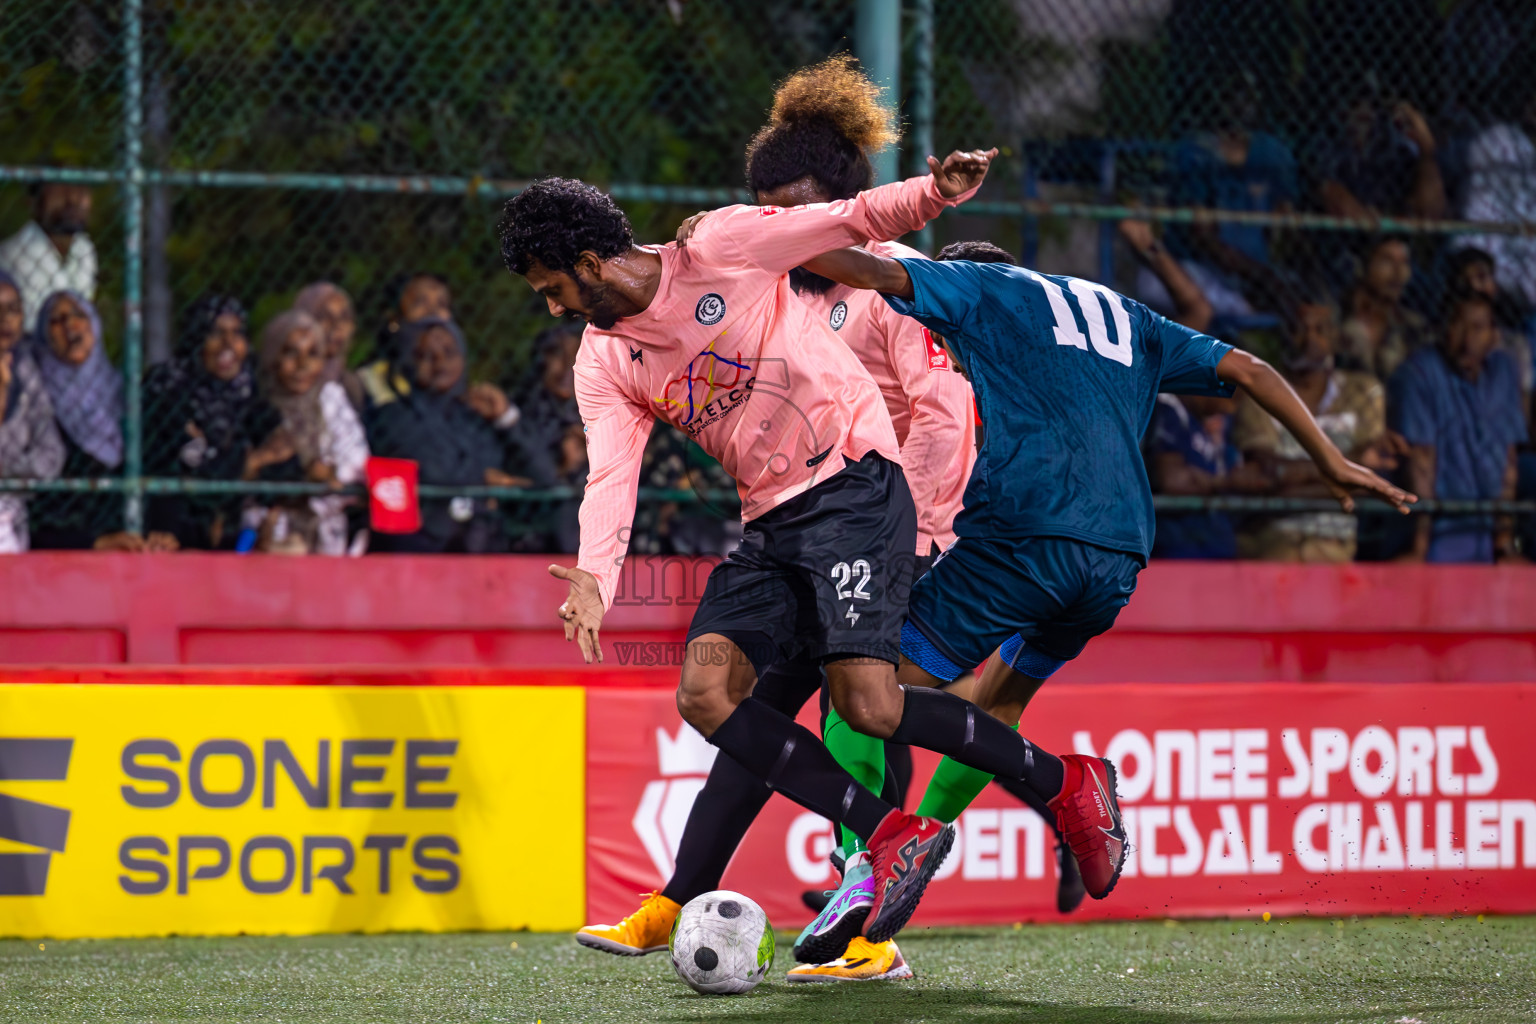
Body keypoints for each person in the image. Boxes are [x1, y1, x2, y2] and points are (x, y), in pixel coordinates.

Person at [499, 151, 1113, 958]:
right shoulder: (604, 358)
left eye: (552, 287)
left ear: (587, 263)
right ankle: (893, 835)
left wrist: (933, 192)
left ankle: (1061, 785)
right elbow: (612, 472)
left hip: (856, 487)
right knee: (709, 692)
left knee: (869, 706)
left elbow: (850, 220)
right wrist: (594, 578)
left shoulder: (720, 247)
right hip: (772, 527)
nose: (551, 307)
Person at [793, 230, 1414, 924]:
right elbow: (1248, 368)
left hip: (1025, 536)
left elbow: (876, 272)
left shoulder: (981, 289)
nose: (962, 366)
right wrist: (1328, 459)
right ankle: (931, 841)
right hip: (1120, 558)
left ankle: (898, 853)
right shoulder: (1125, 315)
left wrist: (779, 244)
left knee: (858, 689)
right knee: (994, 705)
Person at [364, 317, 553, 553]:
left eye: (449, 352)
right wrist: (483, 480)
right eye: (425, 355)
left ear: (463, 359)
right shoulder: (392, 417)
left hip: (488, 552)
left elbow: (545, 479)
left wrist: (507, 419)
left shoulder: (479, 417)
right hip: (419, 552)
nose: (440, 362)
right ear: (408, 362)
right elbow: (426, 471)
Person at [1233, 295, 1398, 562]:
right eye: (1300, 330)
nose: (1310, 340)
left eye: (1320, 330)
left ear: (1335, 338)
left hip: (1337, 555)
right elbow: (1264, 477)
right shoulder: (1258, 395)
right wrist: (1344, 469)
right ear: (1284, 335)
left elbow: (1370, 483)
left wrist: (1289, 479)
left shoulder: (1364, 392)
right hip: (1272, 552)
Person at [143, 294, 299, 550]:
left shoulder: (249, 391)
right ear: (196, 338)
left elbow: (289, 468)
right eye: (216, 333)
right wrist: (253, 462)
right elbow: (179, 471)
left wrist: (233, 467)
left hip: (234, 530)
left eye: (237, 333)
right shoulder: (168, 389)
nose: (229, 343)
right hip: (171, 528)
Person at [25, 290, 177, 552]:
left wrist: (163, 533)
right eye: (56, 321)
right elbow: (38, 511)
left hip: (141, 549)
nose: (70, 326)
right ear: (44, 336)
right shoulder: (37, 405)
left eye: (79, 315)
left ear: (94, 325)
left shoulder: (127, 396)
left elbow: (161, 470)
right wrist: (94, 543)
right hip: (69, 557)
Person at [1391, 287, 1527, 563]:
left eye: (1478, 328)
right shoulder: (1419, 373)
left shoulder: (1503, 371)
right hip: (1439, 529)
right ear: (1443, 328)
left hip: (1485, 527)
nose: (1467, 340)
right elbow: (1422, 461)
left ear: (1494, 335)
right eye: (1458, 325)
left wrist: (1504, 544)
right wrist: (1419, 547)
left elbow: (1509, 462)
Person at [255, 310, 369, 555]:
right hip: (270, 525)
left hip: (327, 526)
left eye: (313, 354)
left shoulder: (330, 398)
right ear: (274, 356)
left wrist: (331, 472)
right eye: (290, 353)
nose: (302, 364)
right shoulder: (258, 404)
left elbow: (357, 459)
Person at [0, 272, 63, 552]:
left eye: (13, 310)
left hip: (11, 514)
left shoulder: (26, 370)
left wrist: (7, 474)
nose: (5, 319)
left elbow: (51, 455)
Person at [1448, 247, 1533, 418]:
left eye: (1482, 278)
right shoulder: (1443, 340)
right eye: (1466, 280)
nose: (1474, 287)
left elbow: (1523, 404)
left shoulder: (1513, 345)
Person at [1338, 235, 1434, 382]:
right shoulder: (1339, 319)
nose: (1398, 272)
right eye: (1387, 261)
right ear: (1364, 267)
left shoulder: (1415, 327)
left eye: (1404, 262)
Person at [0, 183, 96, 325]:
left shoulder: (84, 248)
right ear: (34, 203)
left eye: (80, 192)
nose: (73, 201)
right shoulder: (15, 253)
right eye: (60, 193)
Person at [293, 281, 364, 411]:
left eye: (344, 317)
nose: (337, 325)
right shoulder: (287, 382)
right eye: (325, 316)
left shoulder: (352, 386)